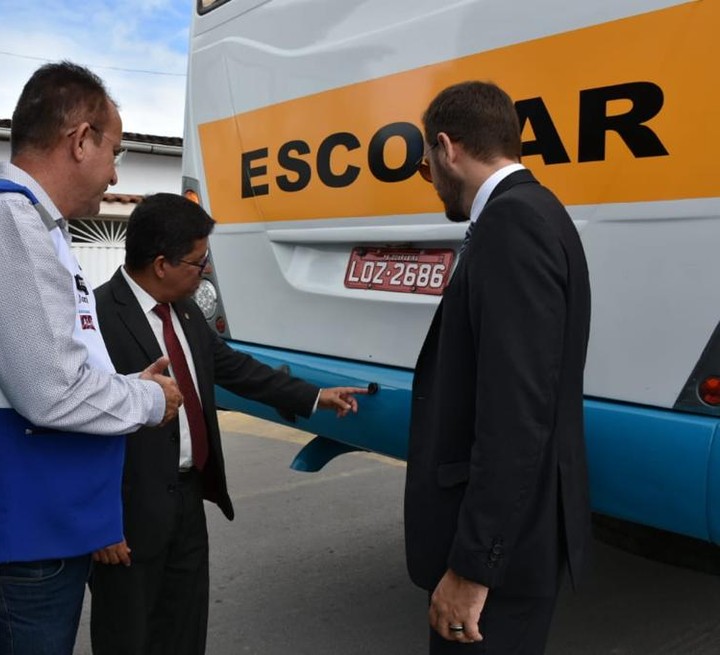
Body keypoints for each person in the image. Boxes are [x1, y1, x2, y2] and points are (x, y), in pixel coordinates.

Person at [0, 61, 182, 655]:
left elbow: (56, 365)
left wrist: (118, 382)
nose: (115, 175)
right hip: (17, 538)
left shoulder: (36, 226)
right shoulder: (6, 221)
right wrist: (146, 399)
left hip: (38, 529)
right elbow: (50, 390)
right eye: (114, 152)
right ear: (80, 139)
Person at [89, 192, 367, 655]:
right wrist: (98, 524)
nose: (205, 273)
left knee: (185, 628)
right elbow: (81, 429)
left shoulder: (185, 311)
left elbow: (236, 368)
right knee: (128, 637)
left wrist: (315, 396)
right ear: (162, 264)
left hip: (188, 500)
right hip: (126, 516)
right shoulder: (96, 319)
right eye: (198, 263)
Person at [404, 81, 592, 653]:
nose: (430, 180)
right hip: (517, 540)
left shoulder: (513, 224)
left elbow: (516, 413)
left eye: (425, 166)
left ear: (446, 148)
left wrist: (473, 566)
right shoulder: (536, 211)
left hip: (503, 556)